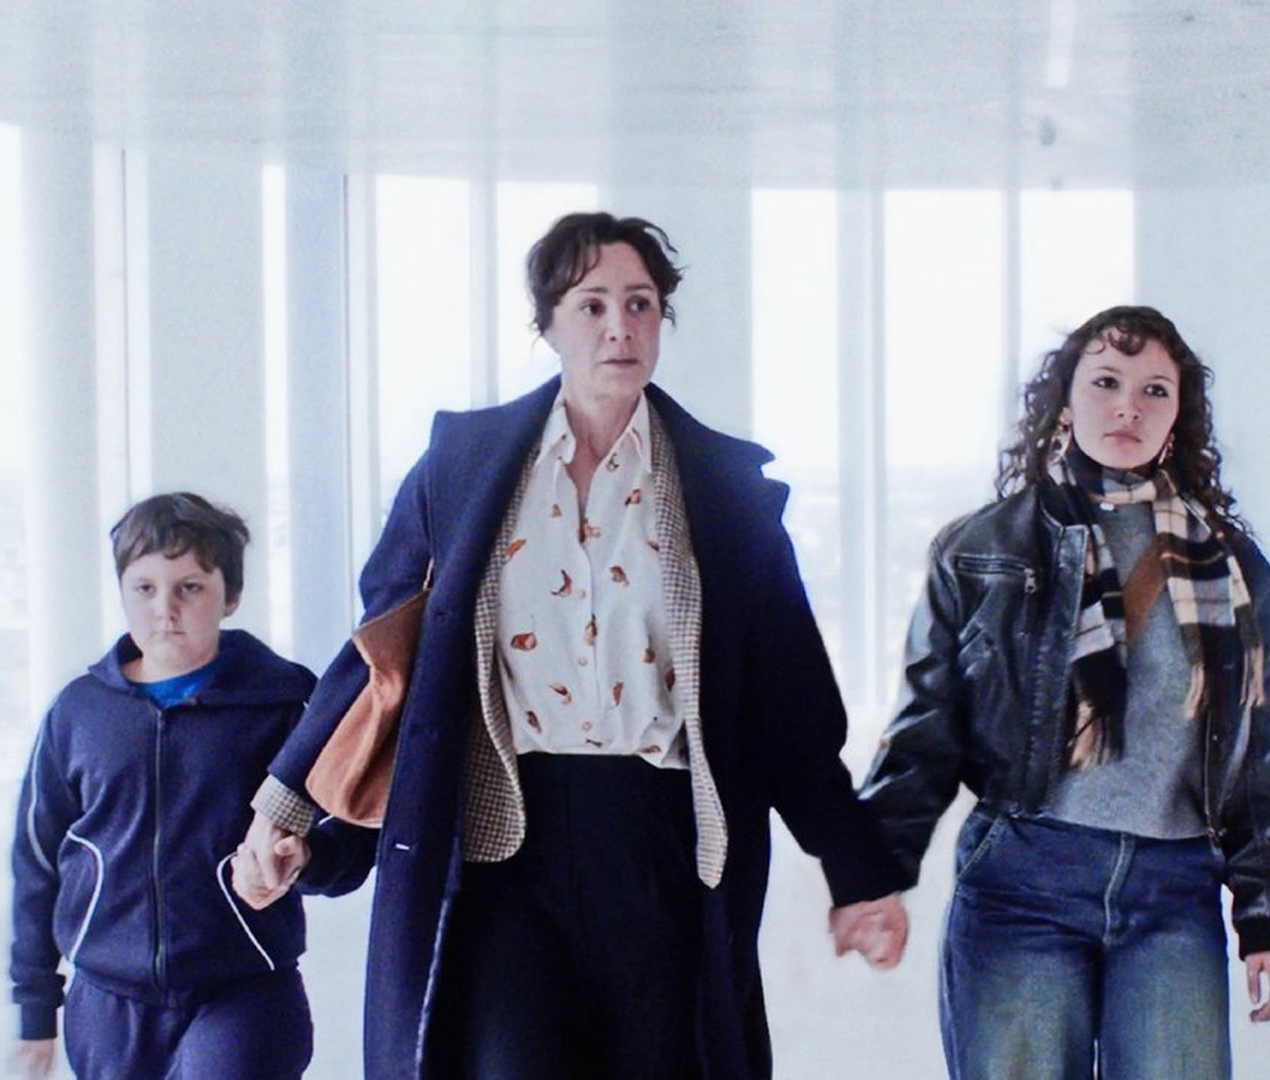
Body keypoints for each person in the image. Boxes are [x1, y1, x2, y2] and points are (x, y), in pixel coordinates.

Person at [232, 211, 909, 1079]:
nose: (619, 326)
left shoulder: (723, 492)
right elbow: (376, 657)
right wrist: (282, 806)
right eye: (591, 305)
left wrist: (856, 868)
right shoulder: (462, 469)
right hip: (505, 846)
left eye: (640, 303)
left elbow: (790, 700)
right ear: (547, 324)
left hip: (660, 845)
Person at [854, 306, 1270, 1079]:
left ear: (1178, 417)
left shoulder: (1234, 570)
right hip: (1023, 881)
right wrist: (874, 876)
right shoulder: (983, 550)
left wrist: (1265, 918)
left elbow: (1251, 754)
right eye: (1106, 382)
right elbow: (927, 728)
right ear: (1064, 401)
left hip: (1173, 892)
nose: (1129, 406)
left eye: (1154, 390)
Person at [7, 493, 336, 1080]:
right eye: (144, 588)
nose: (165, 609)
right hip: (109, 1001)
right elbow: (37, 860)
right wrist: (36, 1006)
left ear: (230, 595)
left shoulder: (287, 703)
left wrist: (306, 859)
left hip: (244, 988)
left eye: (190, 587)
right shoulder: (78, 713)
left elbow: (349, 831)